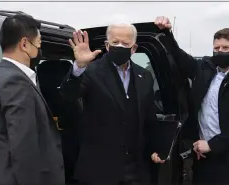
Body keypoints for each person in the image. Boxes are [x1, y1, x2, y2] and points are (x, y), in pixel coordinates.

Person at [154, 16, 229, 185]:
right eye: (216, 47)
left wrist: (213, 145)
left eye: (226, 48)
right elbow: (178, 56)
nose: (220, 51)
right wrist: (166, 32)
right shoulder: (204, 68)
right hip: (203, 156)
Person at [60, 22, 164, 185]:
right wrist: (79, 66)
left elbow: (149, 117)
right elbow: (68, 96)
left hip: (135, 168)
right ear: (107, 45)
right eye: (115, 42)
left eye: (125, 43)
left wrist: (155, 148)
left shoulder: (144, 75)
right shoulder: (91, 71)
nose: (120, 46)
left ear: (134, 48)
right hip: (99, 169)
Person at [0, 14, 65, 185]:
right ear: (25, 44)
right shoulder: (16, 82)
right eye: (39, 44)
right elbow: (24, 151)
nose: (39, 51)